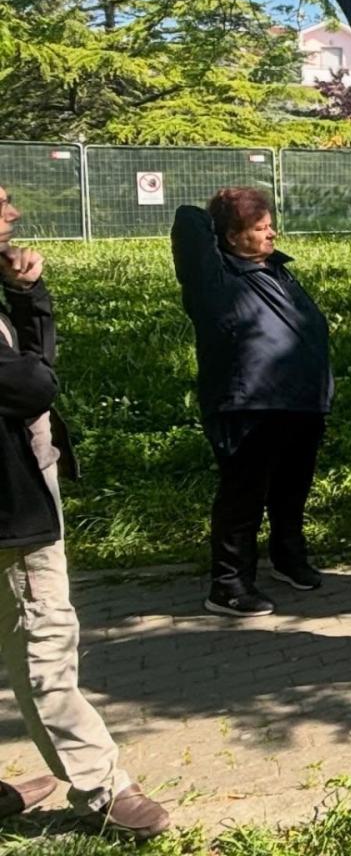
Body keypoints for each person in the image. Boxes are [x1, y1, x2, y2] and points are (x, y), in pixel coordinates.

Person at [0, 186, 172, 838]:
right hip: (11, 509)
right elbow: (34, 383)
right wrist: (29, 301)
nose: (13, 214)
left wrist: (25, 297)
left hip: (20, 488)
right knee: (43, 646)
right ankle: (102, 791)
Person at [172, 188, 333, 619]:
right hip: (249, 404)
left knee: (291, 490)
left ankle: (287, 558)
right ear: (230, 236)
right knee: (243, 498)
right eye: (260, 228)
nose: (271, 233)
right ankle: (228, 585)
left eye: (270, 225)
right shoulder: (214, 277)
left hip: (300, 401)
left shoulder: (276, 270)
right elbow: (188, 220)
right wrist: (223, 211)